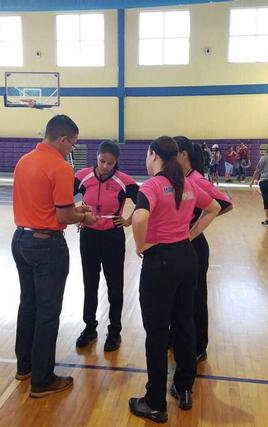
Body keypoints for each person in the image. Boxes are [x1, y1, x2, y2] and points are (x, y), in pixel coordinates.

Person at [129, 136, 220, 423]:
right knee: (184, 324)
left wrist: (140, 246)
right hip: (186, 258)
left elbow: (139, 218)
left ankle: (155, 402)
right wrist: (189, 235)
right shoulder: (188, 183)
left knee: (157, 333)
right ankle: (184, 387)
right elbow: (215, 207)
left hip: (162, 263)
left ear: (153, 155)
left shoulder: (153, 185)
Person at [12, 115, 96, 397]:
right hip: (47, 246)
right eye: (72, 143)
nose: (71, 148)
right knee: (48, 313)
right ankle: (43, 379)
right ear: (62, 139)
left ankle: (24, 366)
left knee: (28, 305)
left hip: (20, 239)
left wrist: (74, 211)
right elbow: (63, 214)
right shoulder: (60, 167)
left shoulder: (24, 161)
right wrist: (85, 215)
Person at [74, 140, 139, 352]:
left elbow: (146, 203)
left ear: (116, 162)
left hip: (113, 237)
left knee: (114, 286)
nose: (104, 166)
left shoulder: (124, 181)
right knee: (89, 283)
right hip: (89, 236)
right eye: (102, 161)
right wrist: (76, 214)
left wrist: (129, 220)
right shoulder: (82, 176)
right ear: (97, 156)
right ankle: (89, 328)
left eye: (110, 163)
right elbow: (62, 198)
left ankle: (114, 331)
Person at [175, 136, 232, 363]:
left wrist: (194, 231)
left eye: (172, 153)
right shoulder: (178, 178)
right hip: (177, 246)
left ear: (183, 155)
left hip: (194, 246)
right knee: (179, 296)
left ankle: (199, 346)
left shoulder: (196, 179)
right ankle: (177, 338)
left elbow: (225, 204)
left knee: (197, 298)